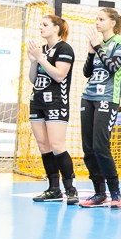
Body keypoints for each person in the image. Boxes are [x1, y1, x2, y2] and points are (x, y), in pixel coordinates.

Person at [79, 8, 121, 209]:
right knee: (88, 148)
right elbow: (87, 72)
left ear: (112, 23)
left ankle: (115, 192)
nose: (97, 22)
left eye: (101, 19)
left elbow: (112, 67)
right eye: (96, 19)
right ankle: (99, 192)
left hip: (107, 99)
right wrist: (91, 52)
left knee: (100, 146)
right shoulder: (97, 44)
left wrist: (98, 46)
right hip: (88, 97)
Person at [27, 14, 77, 204]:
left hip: (56, 102)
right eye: (40, 24)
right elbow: (33, 79)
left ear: (56, 28)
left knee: (57, 145)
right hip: (37, 101)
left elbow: (59, 75)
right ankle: (53, 188)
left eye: (45, 24)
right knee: (43, 146)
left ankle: (71, 189)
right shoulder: (41, 49)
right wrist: (34, 62)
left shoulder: (64, 48)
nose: (41, 27)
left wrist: (40, 58)